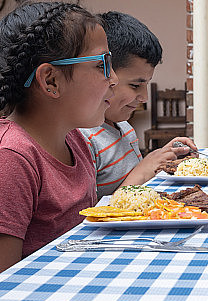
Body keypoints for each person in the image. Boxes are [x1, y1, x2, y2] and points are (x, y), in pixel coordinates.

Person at [0, 1, 117, 301]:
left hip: (59, 299)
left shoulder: (72, 139)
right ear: (50, 81)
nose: (113, 78)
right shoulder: (4, 162)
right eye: (103, 64)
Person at [79, 11, 197, 199]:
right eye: (135, 85)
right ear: (105, 75)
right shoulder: (82, 140)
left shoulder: (125, 129)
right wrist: (143, 170)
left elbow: (137, 188)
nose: (144, 97)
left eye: (146, 85)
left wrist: (163, 158)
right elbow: (92, 216)